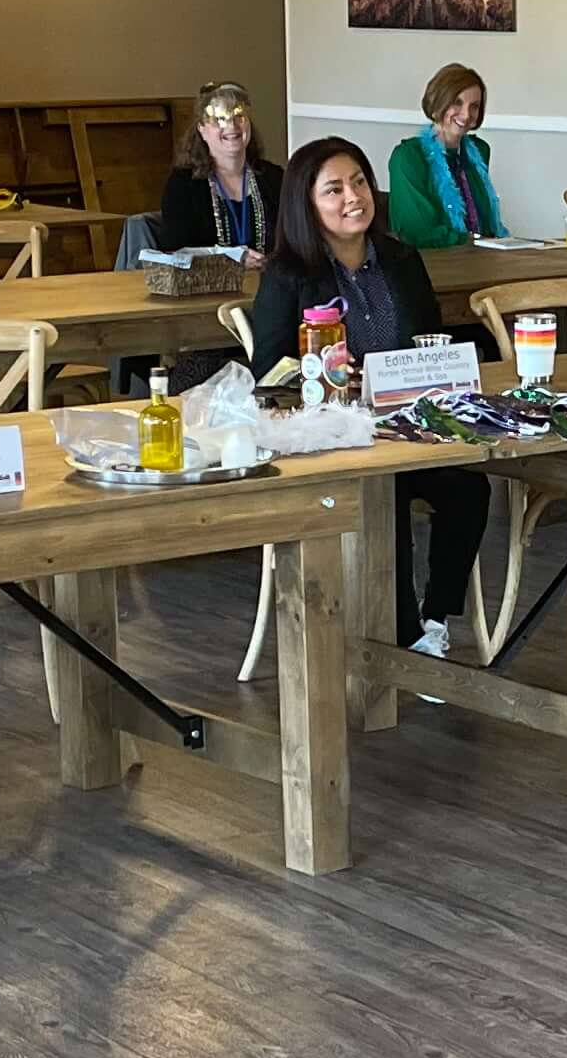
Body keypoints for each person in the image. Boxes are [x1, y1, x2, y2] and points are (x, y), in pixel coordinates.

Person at [250, 137, 490, 656]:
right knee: (389, 493)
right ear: (306, 203)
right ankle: (398, 636)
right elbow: (267, 373)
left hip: (406, 425)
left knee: (469, 488)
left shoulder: (402, 258)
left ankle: (433, 619)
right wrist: (324, 372)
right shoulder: (289, 275)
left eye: (358, 182)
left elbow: (428, 340)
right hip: (332, 434)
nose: (353, 197)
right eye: (333, 189)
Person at [383, 63, 506, 247]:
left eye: (474, 106)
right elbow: (417, 232)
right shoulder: (408, 157)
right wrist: (472, 240)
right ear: (437, 103)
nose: (466, 114)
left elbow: (487, 223)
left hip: (483, 258)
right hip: (434, 265)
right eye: (457, 102)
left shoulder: (479, 151)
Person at [157, 81, 283, 260]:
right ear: (202, 130)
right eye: (219, 120)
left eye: (238, 116)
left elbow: (296, 239)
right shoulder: (183, 184)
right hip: (208, 285)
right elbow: (175, 250)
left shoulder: (274, 178)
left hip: (270, 282)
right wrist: (232, 258)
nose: (231, 126)